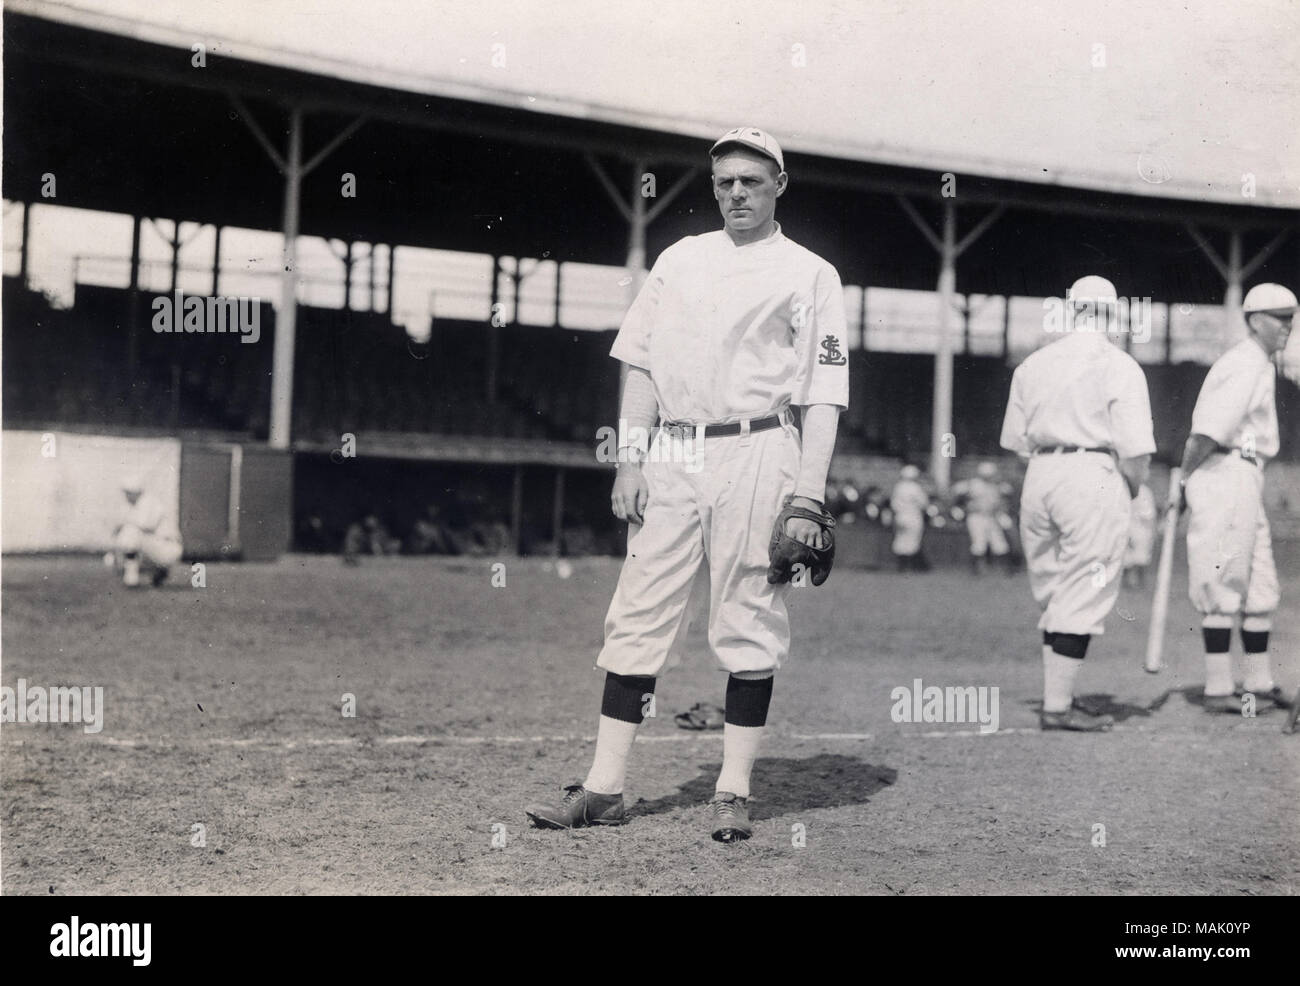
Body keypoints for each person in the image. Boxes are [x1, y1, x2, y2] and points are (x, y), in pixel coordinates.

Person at [525, 127, 848, 842]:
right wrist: (630, 459)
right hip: (675, 451)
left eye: (751, 181)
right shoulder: (679, 259)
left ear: (779, 186)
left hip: (760, 445)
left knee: (748, 614)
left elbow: (824, 392)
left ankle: (733, 789)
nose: (736, 192)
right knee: (638, 612)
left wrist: (809, 495)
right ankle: (604, 786)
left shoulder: (809, 272)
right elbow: (639, 364)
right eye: (725, 181)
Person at [1000, 275, 1155, 731]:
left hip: (1040, 472)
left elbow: (1014, 440)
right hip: (1093, 472)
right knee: (1083, 589)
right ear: (1111, 313)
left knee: (1053, 589)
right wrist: (1130, 488)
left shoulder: (1033, 364)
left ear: (1070, 310)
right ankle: (1057, 706)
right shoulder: (1119, 364)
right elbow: (1138, 450)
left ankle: (1058, 695)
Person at [1177, 282, 1295, 713]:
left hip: (1247, 473)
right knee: (1223, 579)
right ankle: (1218, 688)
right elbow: (1208, 431)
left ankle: (1259, 681)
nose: (1288, 325)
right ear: (1253, 320)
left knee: (1259, 583)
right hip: (1224, 469)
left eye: (1291, 317)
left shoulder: (1263, 362)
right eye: (1279, 317)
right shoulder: (1243, 362)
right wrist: (1185, 479)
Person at [110, 474, 182, 588]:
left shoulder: (150, 502)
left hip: (168, 547)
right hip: (157, 546)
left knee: (130, 532)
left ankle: (131, 578)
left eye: (128, 492)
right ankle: (158, 572)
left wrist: (124, 524)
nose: (126, 496)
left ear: (136, 491)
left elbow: (147, 525)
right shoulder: (136, 505)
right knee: (128, 535)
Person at [953, 461, 1012, 574]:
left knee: (999, 543)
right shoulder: (972, 484)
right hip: (976, 516)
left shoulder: (998, 485)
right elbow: (956, 493)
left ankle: (1005, 569)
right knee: (979, 542)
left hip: (992, 516)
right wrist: (963, 507)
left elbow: (1007, 496)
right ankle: (977, 569)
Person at [889, 464, 930, 571]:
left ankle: (901, 566)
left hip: (900, 515)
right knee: (913, 540)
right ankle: (911, 565)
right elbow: (924, 503)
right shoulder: (916, 488)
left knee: (900, 539)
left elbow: (893, 504)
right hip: (913, 516)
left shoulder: (898, 486)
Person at [1122, 482, 1157, 589]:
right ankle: (1128, 580)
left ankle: (1139, 580)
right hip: (1129, 527)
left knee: (1140, 557)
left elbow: (1148, 514)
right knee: (1128, 558)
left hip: (1142, 528)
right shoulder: (1123, 489)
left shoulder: (1144, 491)